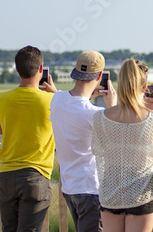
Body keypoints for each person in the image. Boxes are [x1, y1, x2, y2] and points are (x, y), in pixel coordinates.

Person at [91, 59, 153, 232]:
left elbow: (103, 149)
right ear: (144, 87)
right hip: (142, 193)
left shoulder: (100, 118)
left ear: (120, 84)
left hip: (111, 193)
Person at [0, 45, 57, 232]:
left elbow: (1, 129)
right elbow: (69, 121)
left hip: (6, 176)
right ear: (41, 69)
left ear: (17, 69)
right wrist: (55, 94)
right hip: (36, 176)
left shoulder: (1, 98)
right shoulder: (52, 100)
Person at [50, 51, 117, 232]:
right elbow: (119, 138)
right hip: (91, 189)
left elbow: (72, 105)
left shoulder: (56, 100)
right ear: (99, 77)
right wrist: (113, 106)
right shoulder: (95, 114)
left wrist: (87, 96)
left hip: (69, 188)